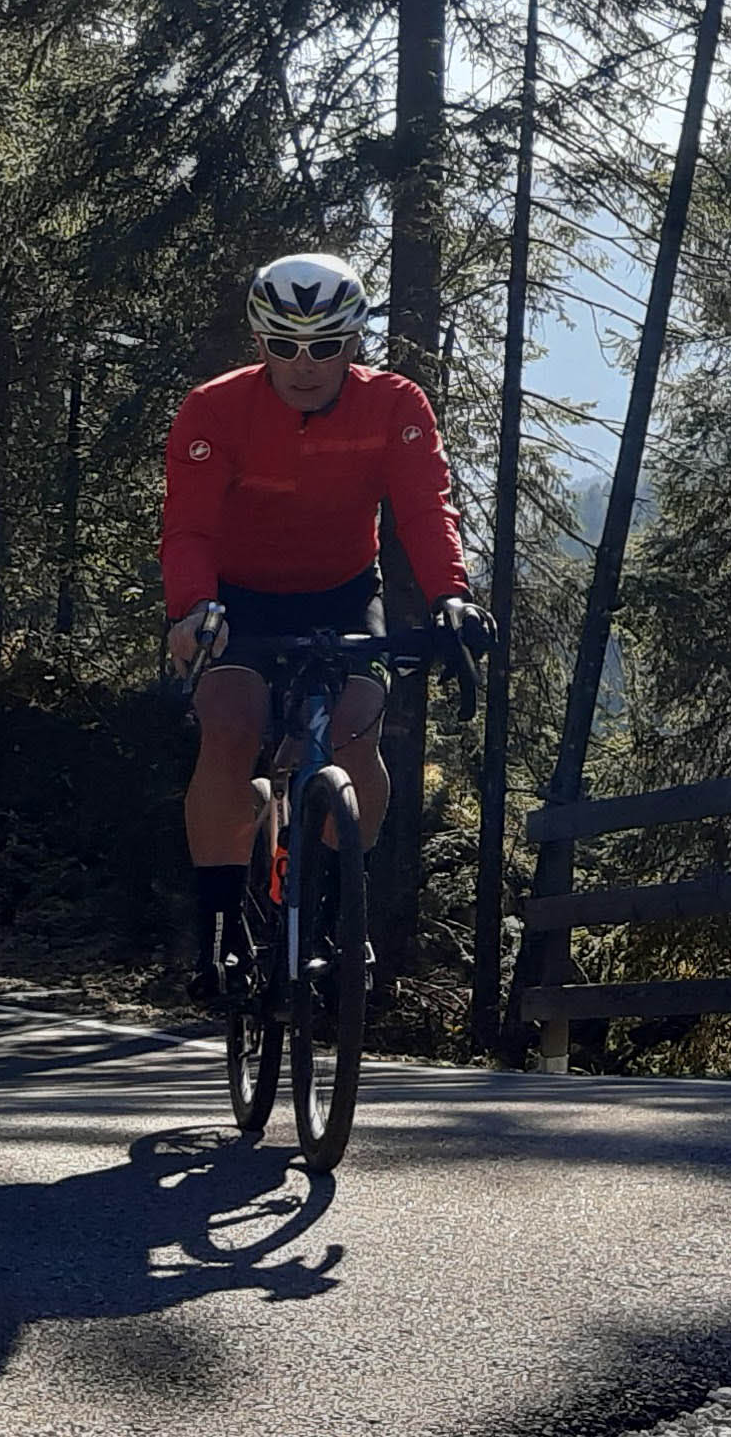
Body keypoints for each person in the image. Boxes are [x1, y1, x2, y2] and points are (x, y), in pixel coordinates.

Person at [159, 252, 483, 997]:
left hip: (341, 592)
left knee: (356, 733)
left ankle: (340, 915)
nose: (304, 365)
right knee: (231, 729)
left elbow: (426, 509)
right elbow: (190, 528)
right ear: (260, 343)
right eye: (284, 346)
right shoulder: (214, 409)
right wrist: (193, 611)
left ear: (355, 342)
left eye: (326, 347)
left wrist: (450, 597)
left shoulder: (397, 405)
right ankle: (220, 930)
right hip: (236, 599)